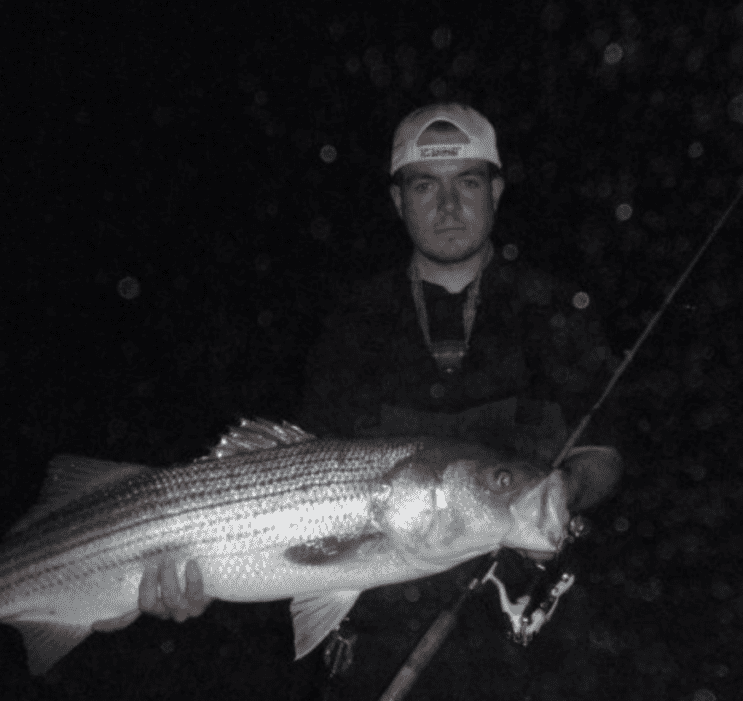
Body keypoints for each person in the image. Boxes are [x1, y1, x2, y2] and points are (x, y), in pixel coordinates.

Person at [139, 102, 623, 695]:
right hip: (379, 642)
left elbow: (603, 452)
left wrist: (567, 489)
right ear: (398, 201)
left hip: (529, 634)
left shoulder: (555, 310)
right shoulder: (355, 321)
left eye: (467, 182)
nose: (448, 206)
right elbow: (302, 472)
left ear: (496, 191)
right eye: (425, 185)